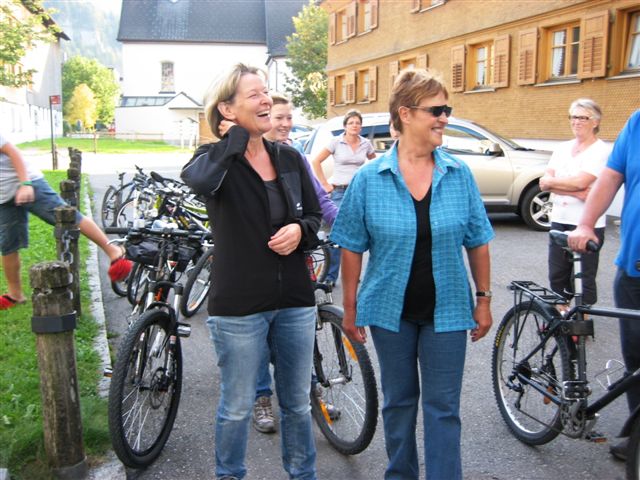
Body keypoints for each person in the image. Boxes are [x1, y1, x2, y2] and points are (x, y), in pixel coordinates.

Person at [330, 68, 494, 480]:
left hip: (448, 311)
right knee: (398, 403)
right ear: (405, 113)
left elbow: (478, 240)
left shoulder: (458, 174)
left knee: (444, 408)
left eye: (446, 110)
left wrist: (484, 299)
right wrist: (349, 308)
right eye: (436, 110)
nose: (444, 118)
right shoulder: (370, 178)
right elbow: (351, 245)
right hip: (390, 313)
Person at [181, 64, 321, 480]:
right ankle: (230, 475)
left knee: (297, 403)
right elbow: (199, 183)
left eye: (267, 92)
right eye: (255, 94)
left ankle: (303, 475)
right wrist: (235, 141)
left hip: (294, 298)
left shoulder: (289, 157)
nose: (266, 100)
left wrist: (300, 230)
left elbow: (314, 216)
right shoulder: (213, 159)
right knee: (238, 406)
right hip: (239, 304)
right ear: (227, 108)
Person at [220, 93, 338, 434]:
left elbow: (319, 200)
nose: (285, 123)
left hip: (294, 259)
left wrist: (342, 228)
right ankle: (261, 397)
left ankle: (309, 392)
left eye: (289, 117)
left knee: (298, 335)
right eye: (278, 117)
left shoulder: (294, 156)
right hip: (253, 270)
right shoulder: (241, 158)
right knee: (259, 336)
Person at [568, 109, 640, 462]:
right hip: (635, 269)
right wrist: (585, 223)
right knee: (636, 359)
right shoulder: (637, 123)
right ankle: (636, 434)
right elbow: (611, 177)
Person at [0, 134, 131, 310]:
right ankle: (15, 294)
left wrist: (25, 184)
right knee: (8, 245)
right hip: (4, 197)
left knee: (68, 217)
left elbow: (13, 152)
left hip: (28, 184)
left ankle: (113, 251)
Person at [539, 98, 611, 310]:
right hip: (559, 219)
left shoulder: (601, 150)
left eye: (583, 117)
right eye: (573, 117)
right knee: (557, 273)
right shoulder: (562, 148)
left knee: (582, 276)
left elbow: (581, 181)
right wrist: (577, 192)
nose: (576, 121)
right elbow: (544, 183)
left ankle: (581, 318)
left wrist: (557, 184)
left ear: (595, 122)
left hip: (587, 222)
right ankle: (561, 316)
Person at [311, 109, 376, 286]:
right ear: (345, 126)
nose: (354, 125)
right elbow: (316, 161)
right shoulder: (336, 142)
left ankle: (352, 274)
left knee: (357, 233)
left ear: (361, 126)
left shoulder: (366, 144)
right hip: (339, 191)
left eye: (357, 123)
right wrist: (324, 184)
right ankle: (330, 277)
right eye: (351, 123)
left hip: (359, 192)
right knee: (336, 234)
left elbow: (374, 163)